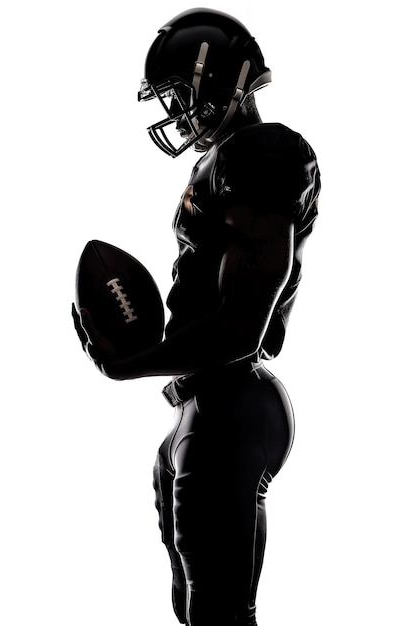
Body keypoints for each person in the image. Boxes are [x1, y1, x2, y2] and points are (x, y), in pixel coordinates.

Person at [72, 8, 321, 626]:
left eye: (181, 93)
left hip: (232, 400)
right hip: (206, 404)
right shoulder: (225, 161)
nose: (177, 113)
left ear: (219, 80)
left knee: (219, 612)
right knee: (194, 605)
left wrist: (132, 363)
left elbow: (244, 326)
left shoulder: (262, 153)